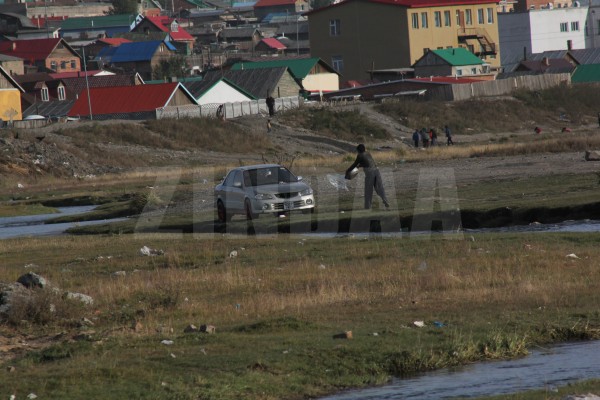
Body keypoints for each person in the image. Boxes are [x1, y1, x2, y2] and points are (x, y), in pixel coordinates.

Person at [345, 144, 390, 210]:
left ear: (359, 150)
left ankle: (367, 206)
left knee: (368, 190)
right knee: (379, 188)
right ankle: (385, 200)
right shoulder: (368, 153)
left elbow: (354, 164)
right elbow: (367, 162)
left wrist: (347, 171)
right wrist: (359, 165)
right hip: (376, 171)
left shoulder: (360, 155)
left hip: (370, 173)